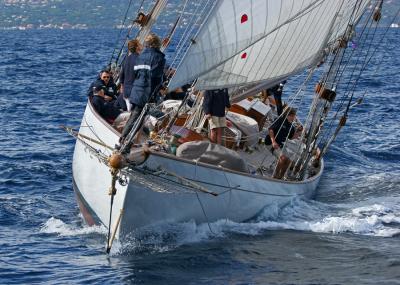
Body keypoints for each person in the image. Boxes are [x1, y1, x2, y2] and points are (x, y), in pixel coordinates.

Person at [120, 33, 166, 143]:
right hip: (147, 92)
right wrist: (159, 89)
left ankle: (125, 138)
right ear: (157, 44)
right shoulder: (159, 58)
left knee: (136, 115)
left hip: (136, 90)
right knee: (157, 116)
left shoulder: (140, 56)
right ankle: (125, 139)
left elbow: (136, 73)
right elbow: (156, 77)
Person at [266, 107, 302, 179]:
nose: (294, 117)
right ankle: (275, 175)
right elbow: (271, 130)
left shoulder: (291, 127)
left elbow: (291, 137)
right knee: (283, 158)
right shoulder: (280, 120)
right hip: (271, 143)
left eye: (294, 116)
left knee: (288, 161)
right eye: (293, 115)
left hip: (280, 145)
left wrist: (299, 132)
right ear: (288, 115)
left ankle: (280, 176)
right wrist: (273, 141)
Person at [117, 38, 142, 111]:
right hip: (136, 91)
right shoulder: (140, 59)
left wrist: (122, 87)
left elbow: (122, 75)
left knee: (129, 110)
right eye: (140, 45)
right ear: (137, 47)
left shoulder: (126, 59)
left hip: (126, 91)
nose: (142, 46)